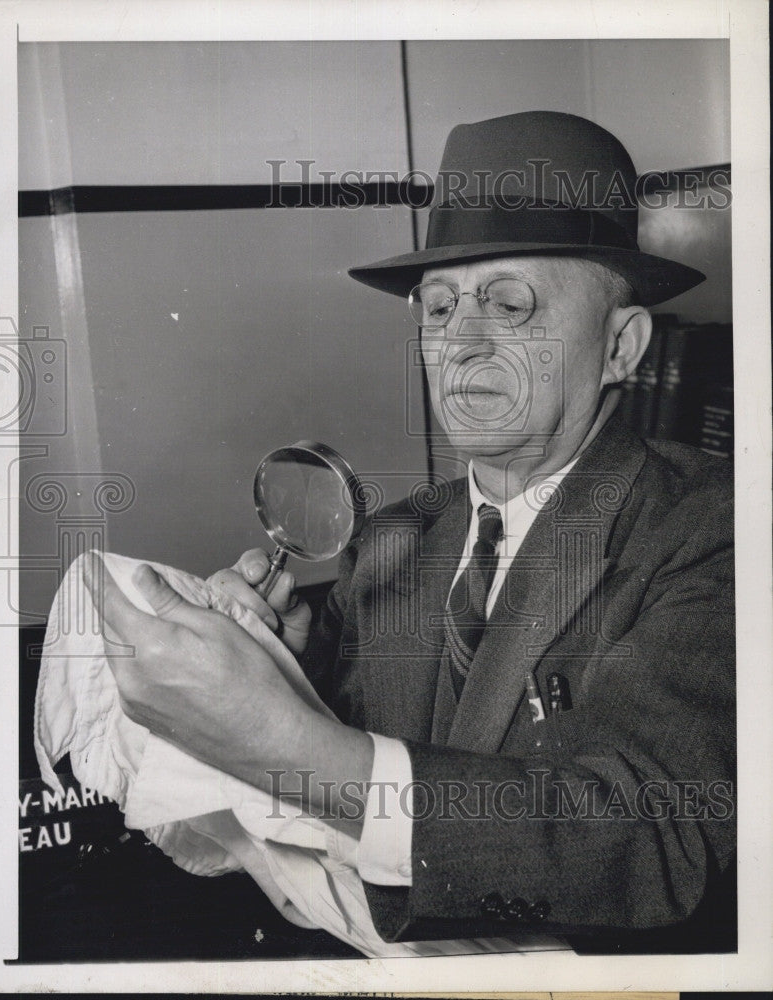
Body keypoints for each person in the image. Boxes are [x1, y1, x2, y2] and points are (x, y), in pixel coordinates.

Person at [87, 111, 735, 948]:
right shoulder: (392, 540)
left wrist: (283, 742)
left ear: (621, 346)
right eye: (437, 308)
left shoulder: (715, 528)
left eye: (509, 302)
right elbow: (366, 761)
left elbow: (652, 837)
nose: (461, 343)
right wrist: (285, 668)